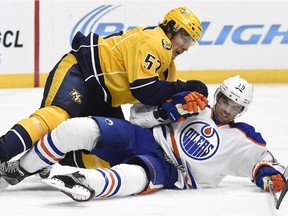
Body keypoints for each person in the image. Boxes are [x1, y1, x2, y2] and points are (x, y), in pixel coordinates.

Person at [0, 75, 286, 202]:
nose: (226, 109)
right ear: (218, 95)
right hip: (143, 138)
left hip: (170, 169)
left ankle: (86, 184)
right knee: (73, 129)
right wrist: (170, 110)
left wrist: (269, 176)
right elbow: (137, 116)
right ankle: (18, 170)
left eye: (234, 106)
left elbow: (261, 162)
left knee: (135, 175)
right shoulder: (193, 103)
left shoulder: (242, 138)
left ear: (242, 110)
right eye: (224, 100)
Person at [0, 6, 208, 169]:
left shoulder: (168, 66)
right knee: (56, 117)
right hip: (81, 71)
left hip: (103, 95)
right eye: (185, 37)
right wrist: (183, 86)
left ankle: (47, 157)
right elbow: (144, 90)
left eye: (191, 42)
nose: (186, 46)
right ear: (171, 28)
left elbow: (153, 99)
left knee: (117, 148)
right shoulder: (157, 42)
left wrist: (185, 97)